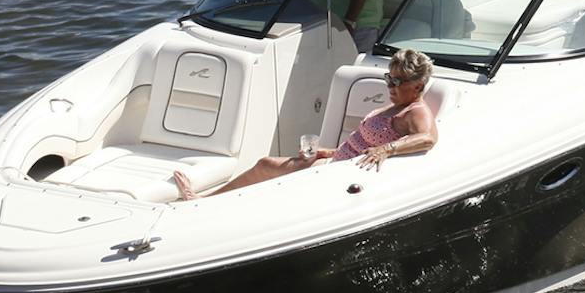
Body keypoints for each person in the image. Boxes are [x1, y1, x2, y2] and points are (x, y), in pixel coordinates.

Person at [171, 49, 438, 200]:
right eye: (388, 78)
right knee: (265, 166)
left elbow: (427, 138)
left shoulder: (415, 111)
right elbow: (364, 143)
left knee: (266, 170)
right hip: (333, 161)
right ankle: (208, 202)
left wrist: (387, 150)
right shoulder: (399, 105)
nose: (389, 86)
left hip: (340, 176)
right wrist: (328, 151)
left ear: (418, 86)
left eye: (397, 82)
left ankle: (204, 203)